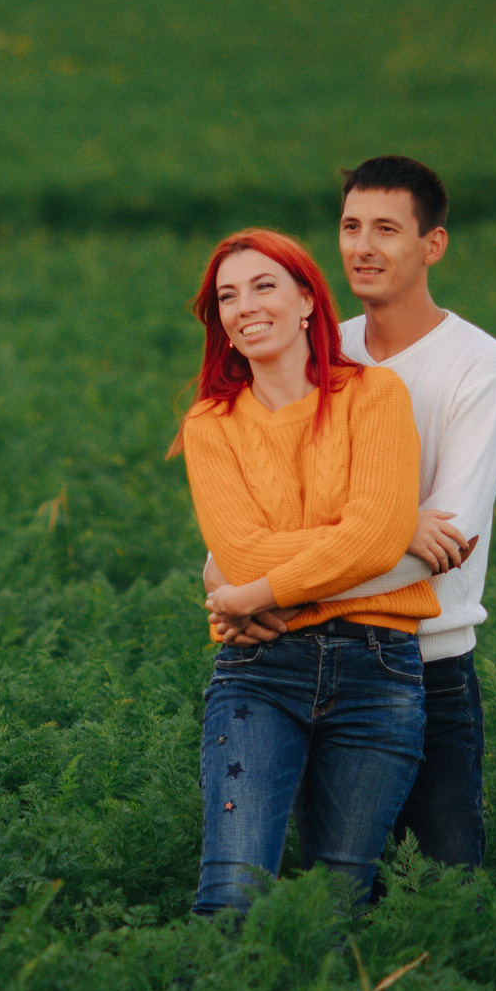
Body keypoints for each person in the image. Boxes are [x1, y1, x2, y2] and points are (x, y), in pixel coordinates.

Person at [209, 157, 496, 874]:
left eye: (387, 228)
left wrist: (269, 592)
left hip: (426, 662)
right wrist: (235, 576)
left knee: (443, 891)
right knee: (331, 890)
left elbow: (444, 542)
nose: (362, 246)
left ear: (432, 244)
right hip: (296, 656)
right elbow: (246, 525)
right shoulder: (317, 348)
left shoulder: (480, 365)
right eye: (351, 226)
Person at [175, 228, 437, 917]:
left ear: (305, 302)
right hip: (262, 667)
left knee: (340, 900)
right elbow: (245, 549)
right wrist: (357, 532)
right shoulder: (211, 424)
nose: (244, 306)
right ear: (222, 324)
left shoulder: (376, 396)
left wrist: (247, 595)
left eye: (264, 286)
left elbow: (376, 541)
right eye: (227, 297)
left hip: (378, 669)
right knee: (232, 889)